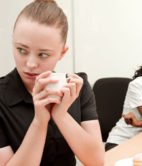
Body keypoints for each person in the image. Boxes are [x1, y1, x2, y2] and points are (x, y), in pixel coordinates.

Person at [0, 0, 104, 165]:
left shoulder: (78, 87)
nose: (31, 64)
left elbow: (96, 161)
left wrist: (61, 114)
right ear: (13, 43)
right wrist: (39, 121)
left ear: (62, 53)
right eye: (21, 50)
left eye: (43, 54)